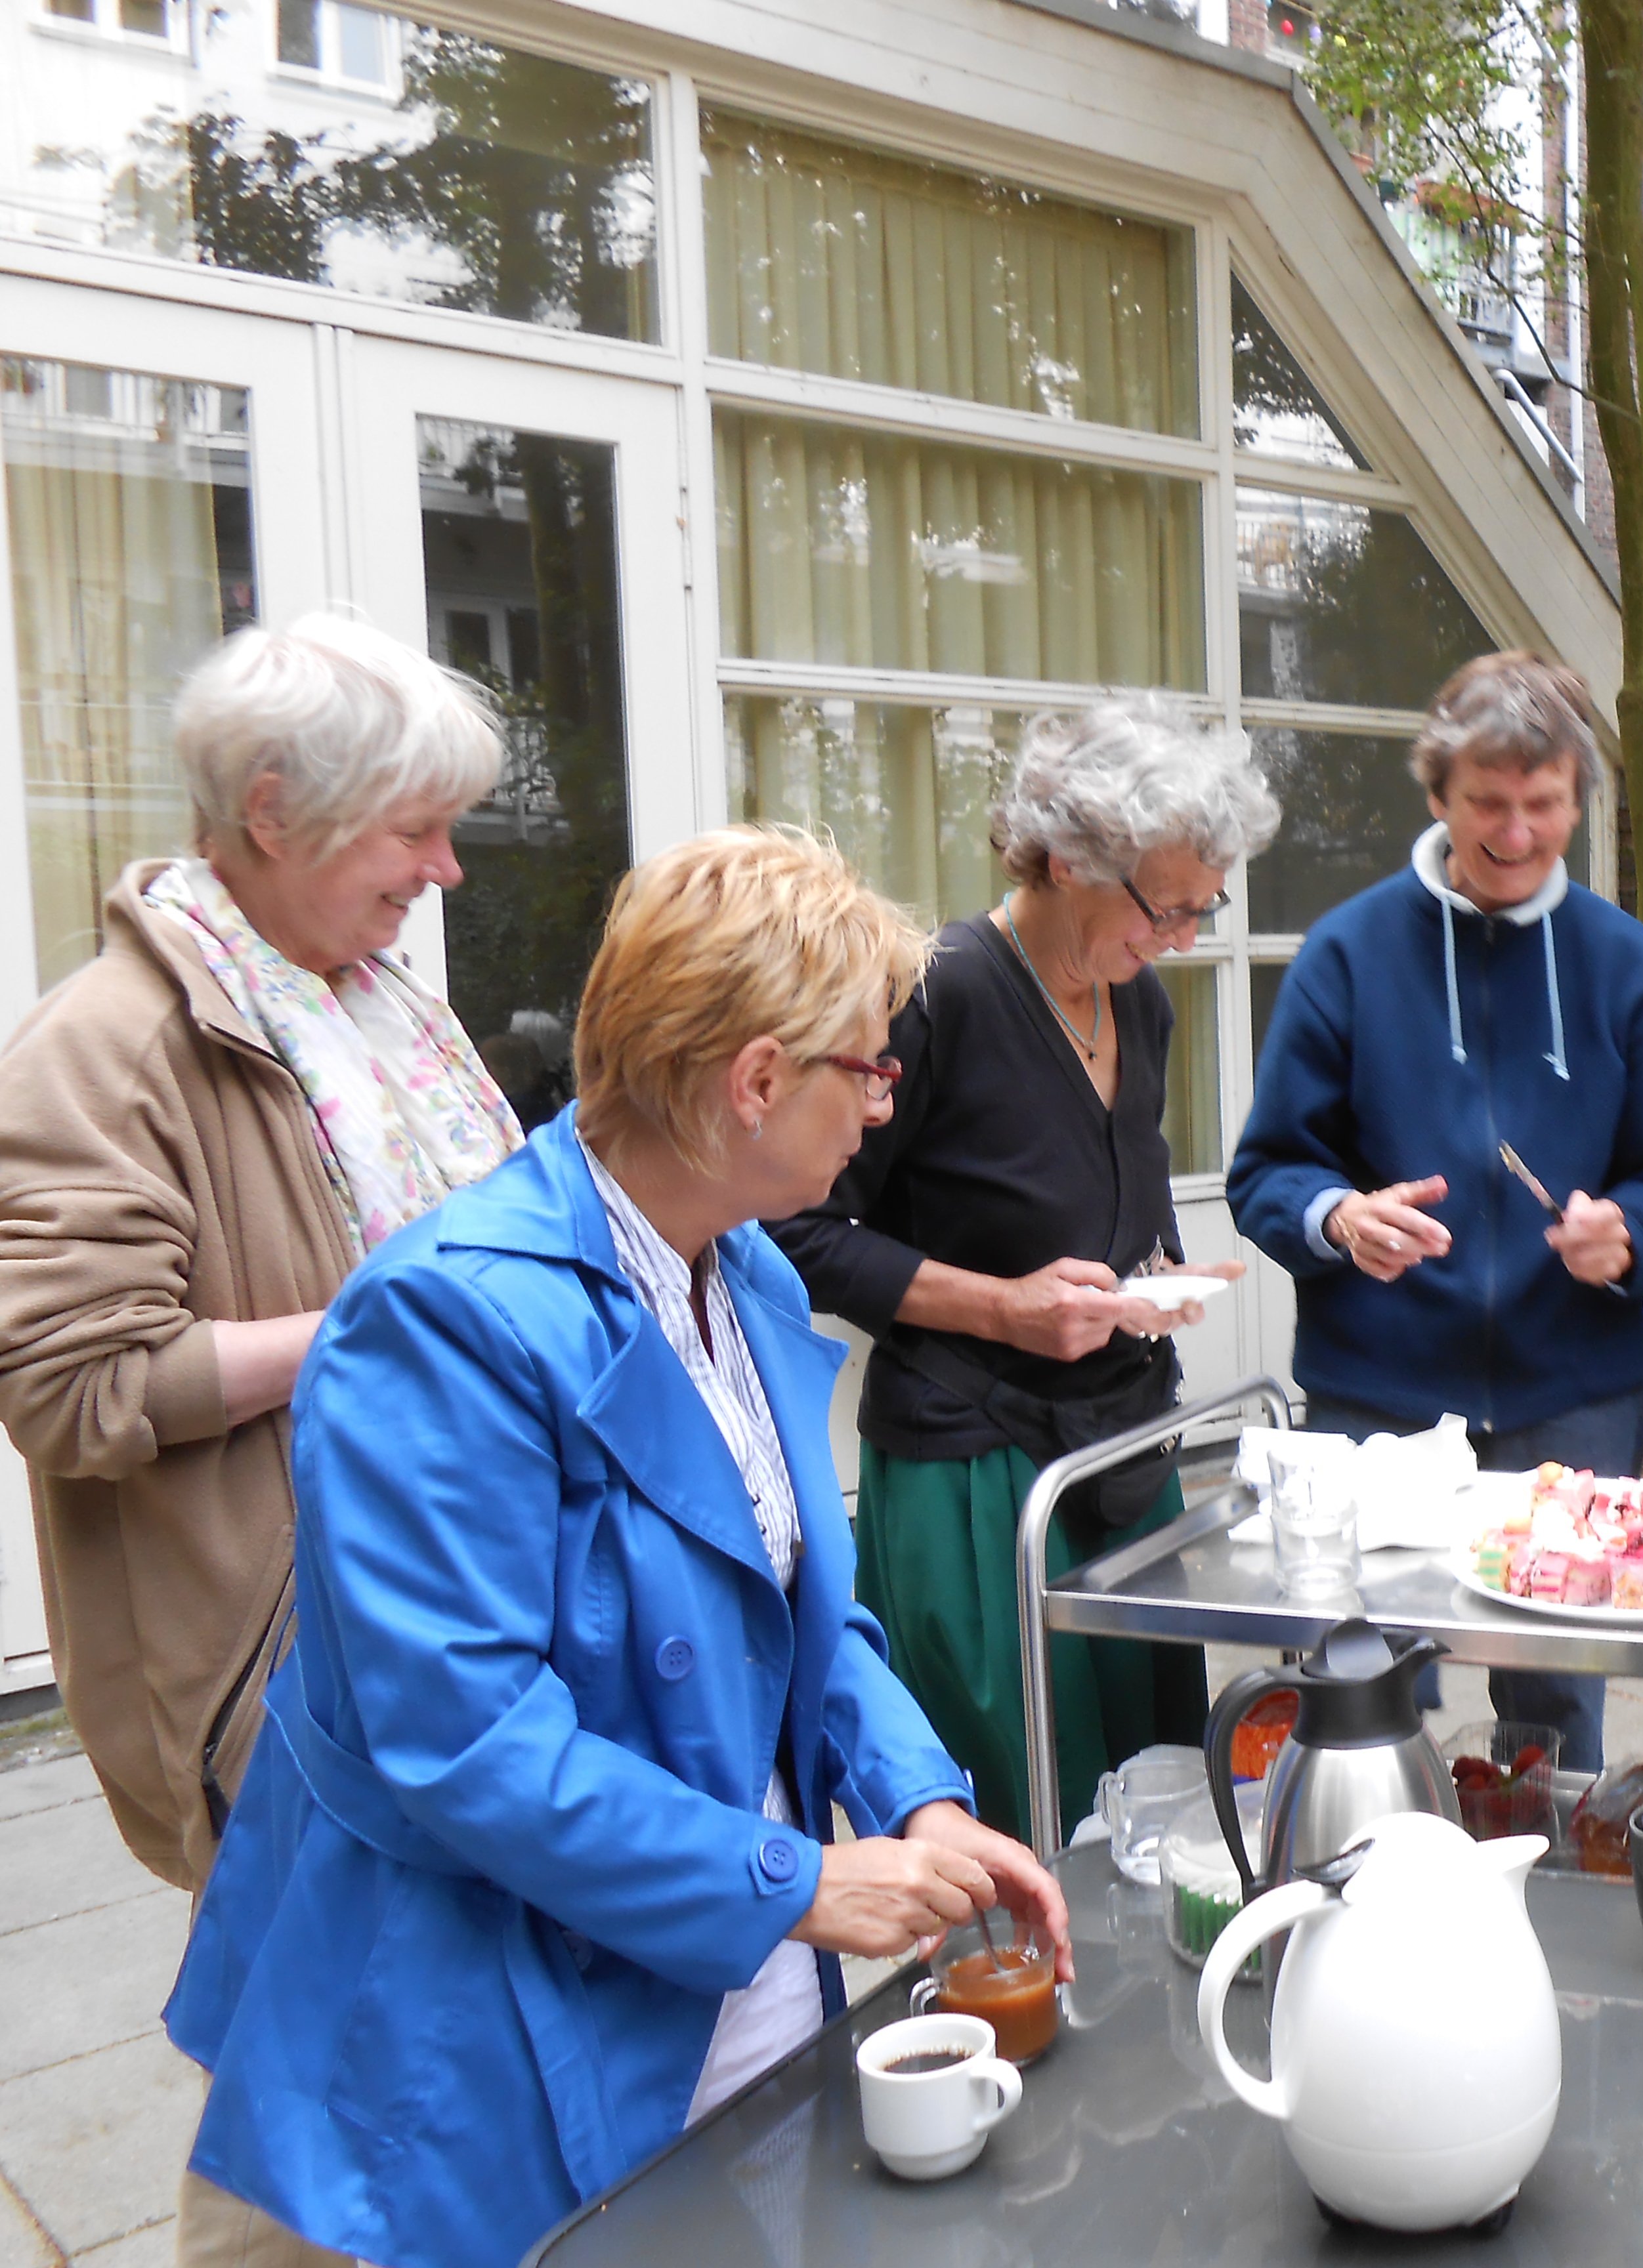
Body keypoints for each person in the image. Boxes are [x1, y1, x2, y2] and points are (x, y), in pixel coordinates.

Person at [164, 828, 1072, 2268]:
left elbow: (802, 1605)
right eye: (872, 1068)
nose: (887, 1103)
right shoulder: (446, 1319)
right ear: (757, 1080)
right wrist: (796, 1885)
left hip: (695, 1950)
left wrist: (917, 1801)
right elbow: (466, 1737)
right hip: (459, 2020)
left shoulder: (745, 1264)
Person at [0, 613, 523, 1895]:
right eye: (415, 829)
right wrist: (395, 1312)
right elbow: (71, 1393)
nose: (446, 869)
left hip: (465, 1625)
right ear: (275, 813)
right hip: (298, 1695)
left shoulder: (377, 1003)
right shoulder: (105, 1056)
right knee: (346, 2065)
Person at [771, 697, 1279, 1839]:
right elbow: (795, 1233)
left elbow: (1115, 1199)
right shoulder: (933, 995)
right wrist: (1003, 1309)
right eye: (1168, 905)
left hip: (1125, 1460)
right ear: (1064, 859)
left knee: (1159, 1812)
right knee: (1021, 1827)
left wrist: (1156, 1278)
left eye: (1208, 906)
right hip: (975, 1476)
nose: (1189, 936)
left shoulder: (1135, 1001)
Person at [1228, 651, 1643, 1771]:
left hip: (1573, 1402)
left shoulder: (1621, 963)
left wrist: (1633, 1237)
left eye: (1543, 804)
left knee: (1556, 1697)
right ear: (1437, 794)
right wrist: (1339, 1219)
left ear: (1577, 800)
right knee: (1361, 1687)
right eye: (1487, 805)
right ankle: (1368, 1909)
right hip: (1378, 1399)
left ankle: (1546, 1911)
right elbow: (1267, 1175)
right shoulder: (1349, 954)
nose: (1515, 832)